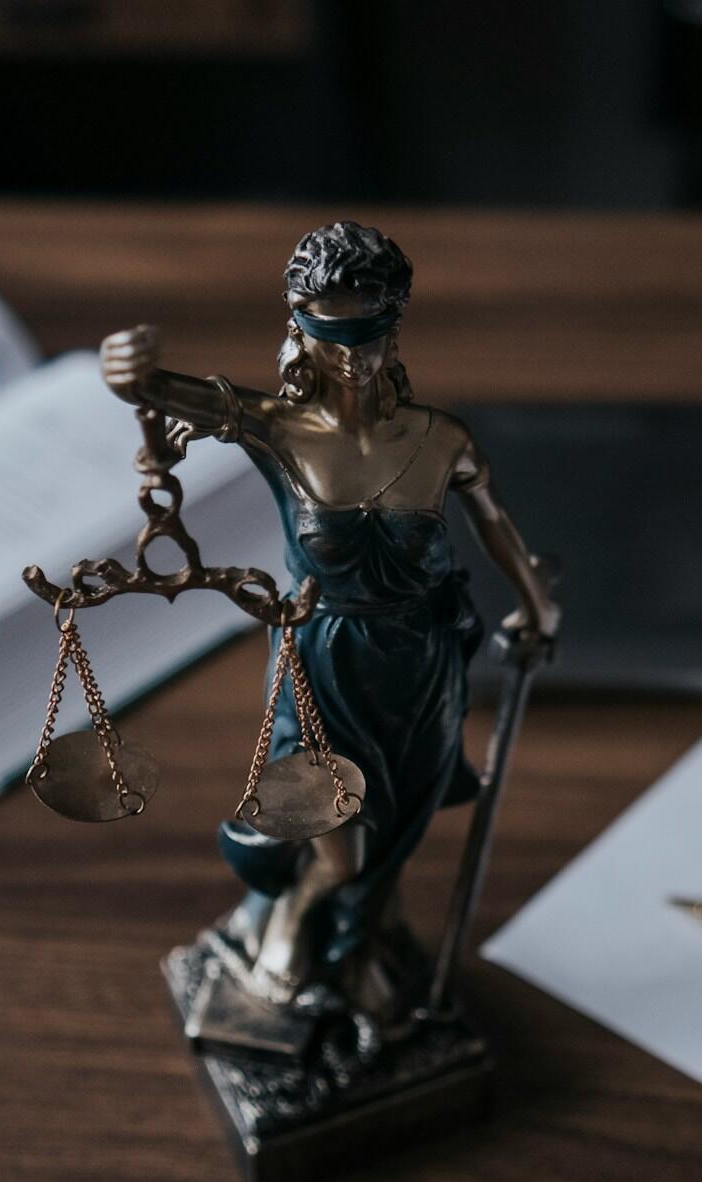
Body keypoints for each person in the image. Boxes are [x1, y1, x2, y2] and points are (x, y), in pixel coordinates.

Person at [100, 221, 558, 1024]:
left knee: (397, 831)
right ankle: (302, 914)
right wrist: (130, 377)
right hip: (325, 665)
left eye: (370, 332)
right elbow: (170, 394)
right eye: (329, 333)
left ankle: (362, 950)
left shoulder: (440, 437)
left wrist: (535, 600)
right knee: (334, 841)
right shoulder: (278, 431)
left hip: (421, 662)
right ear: (300, 328)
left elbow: (495, 523)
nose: (352, 355)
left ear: (396, 323)